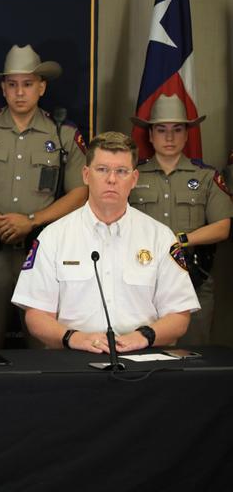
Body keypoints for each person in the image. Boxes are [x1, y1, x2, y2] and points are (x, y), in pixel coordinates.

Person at [0, 44, 88, 350]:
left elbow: (80, 193)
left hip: (44, 256)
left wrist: (32, 221)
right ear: (3, 89)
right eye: (12, 85)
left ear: (42, 87)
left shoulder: (63, 135)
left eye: (28, 84)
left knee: (47, 350)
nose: (20, 92)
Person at [12, 132, 198, 353]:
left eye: (121, 171)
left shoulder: (160, 236)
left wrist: (144, 336)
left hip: (143, 358)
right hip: (73, 357)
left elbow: (179, 315)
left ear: (135, 178)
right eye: (102, 170)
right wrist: (74, 338)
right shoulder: (53, 236)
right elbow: (36, 315)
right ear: (86, 175)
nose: (111, 179)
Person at [129, 95, 233, 345]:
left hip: (192, 279)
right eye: (161, 130)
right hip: (140, 278)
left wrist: (180, 240)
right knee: (140, 352)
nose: (169, 137)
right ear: (150, 135)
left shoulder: (206, 176)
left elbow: (223, 227)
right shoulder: (131, 176)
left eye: (177, 130)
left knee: (192, 356)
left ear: (187, 135)